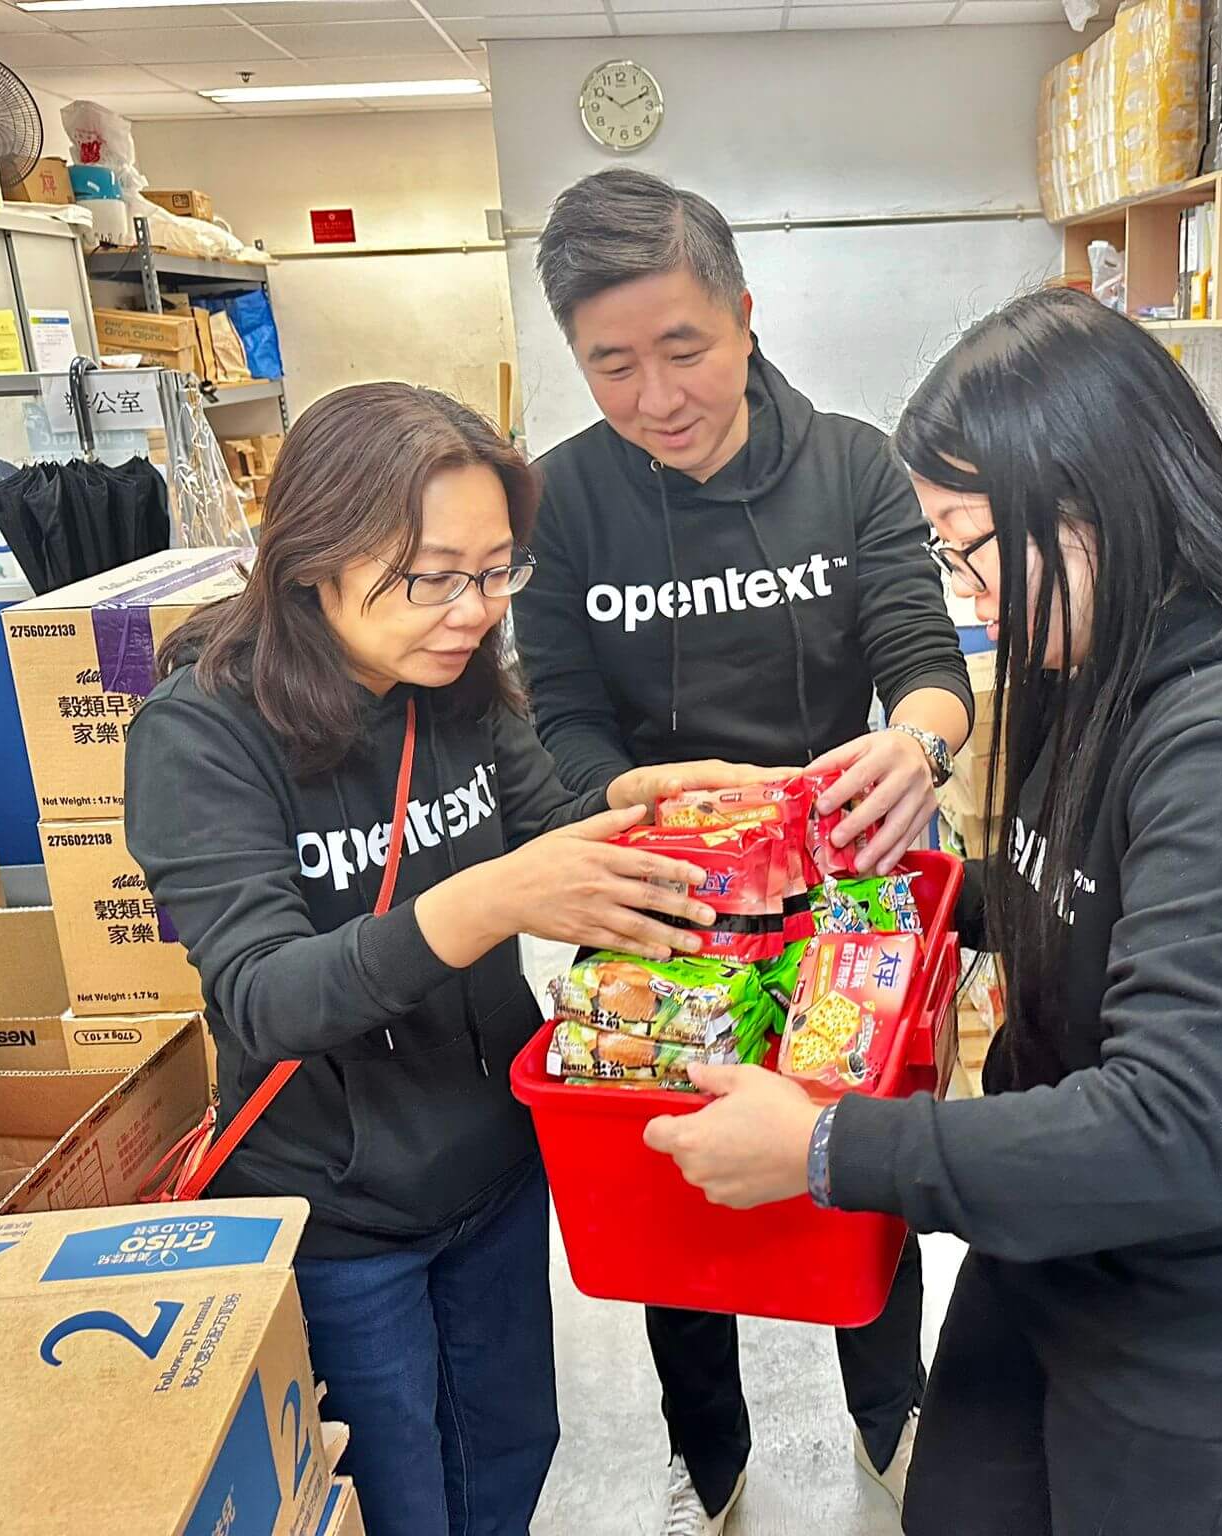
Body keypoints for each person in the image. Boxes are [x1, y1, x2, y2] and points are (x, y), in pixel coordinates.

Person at [642, 288, 1222, 1536]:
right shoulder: (1100, 653)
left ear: (1093, 501)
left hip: (1203, 1340)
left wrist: (825, 1149)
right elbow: (1076, 896)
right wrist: (876, 900)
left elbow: (1172, 1130)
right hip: (1057, 1257)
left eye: (971, 548)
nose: (970, 598)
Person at [124, 383, 762, 1536]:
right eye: (433, 577)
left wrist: (647, 806)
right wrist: (485, 901)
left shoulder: (453, 690)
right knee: (400, 1500)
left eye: (495, 572)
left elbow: (547, 823)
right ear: (315, 554)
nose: (472, 610)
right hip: (338, 1216)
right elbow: (265, 994)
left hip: (495, 1176)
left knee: (510, 1460)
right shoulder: (203, 734)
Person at [512, 168, 975, 1533]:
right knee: (672, 1180)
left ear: (745, 314)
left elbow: (924, 657)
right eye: (611, 365)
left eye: (684, 349)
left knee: (854, 1164)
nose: (656, 396)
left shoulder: (849, 465)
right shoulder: (561, 502)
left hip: (844, 897)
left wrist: (918, 747)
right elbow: (556, 717)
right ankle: (707, 1462)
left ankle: (892, 1428)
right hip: (657, 903)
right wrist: (631, 790)